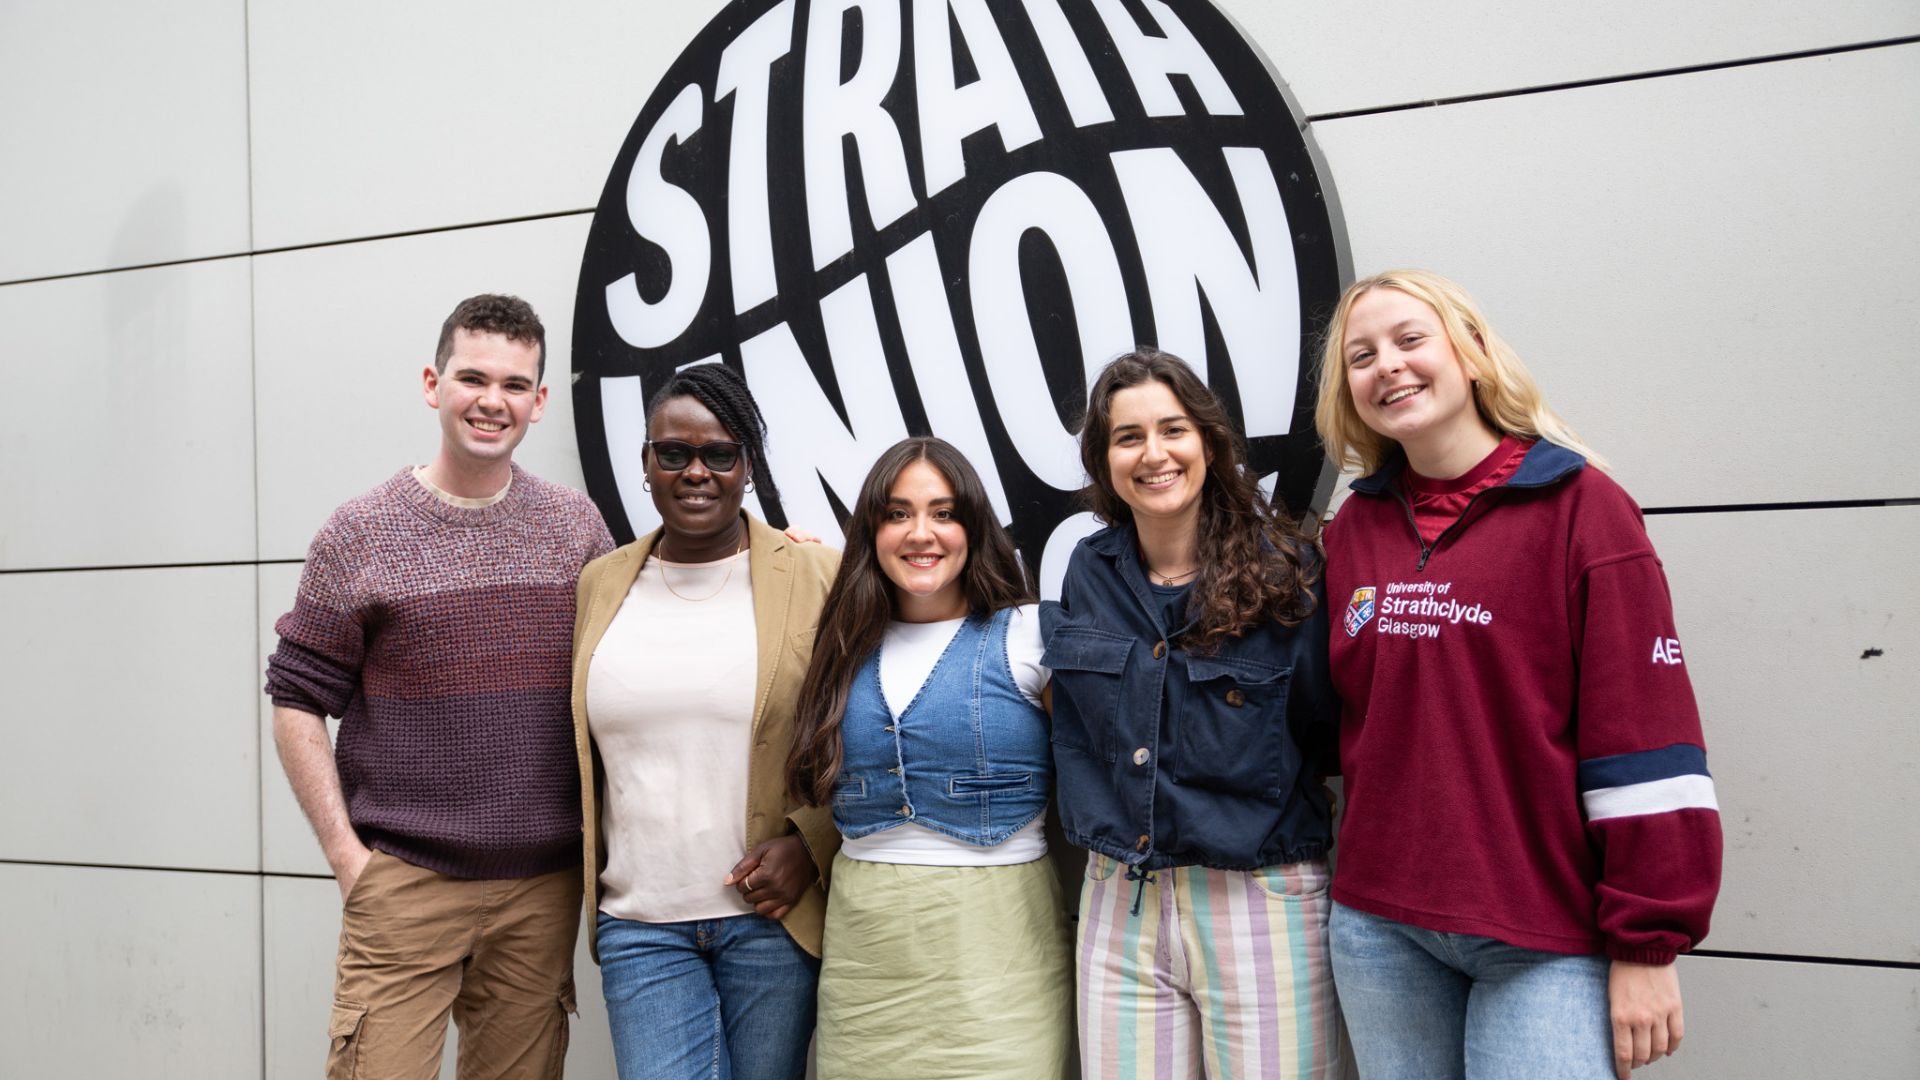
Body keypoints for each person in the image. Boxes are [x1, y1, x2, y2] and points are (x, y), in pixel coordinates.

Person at [1313, 269, 1722, 1080]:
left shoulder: (1584, 509)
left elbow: (1646, 736)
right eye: (1361, 356)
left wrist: (1648, 944)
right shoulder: (1354, 528)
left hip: (1543, 934)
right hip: (1380, 927)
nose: (1386, 366)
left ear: (1469, 353)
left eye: (1409, 340)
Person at [265, 294, 614, 1080]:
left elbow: (647, 634)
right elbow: (295, 699)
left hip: (539, 892)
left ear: (539, 401)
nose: (493, 401)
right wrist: (347, 859)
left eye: (515, 385)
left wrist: (782, 554)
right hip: (405, 884)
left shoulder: (576, 530)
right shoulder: (360, 533)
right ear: (433, 383)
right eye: (473, 377)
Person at [1043, 349, 1344, 1079]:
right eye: (1127, 437)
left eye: (1172, 429)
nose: (1154, 454)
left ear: (1209, 441)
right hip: (1121, 897)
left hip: (1257, 897)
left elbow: (1327, 731)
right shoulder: (1090, 568)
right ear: (1103, 460)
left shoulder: (1288, 575)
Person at [570, 362, 839, 1080]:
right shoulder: (602, 583)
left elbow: (871, 731)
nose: (697, 471)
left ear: (747, 465)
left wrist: (812, 843)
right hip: (641, 922)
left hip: (772, 922)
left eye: (720, 454)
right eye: (674, 453)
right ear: (647, 464)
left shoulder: (817, 576)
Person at [787, 437, 1074, 1079]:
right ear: (872, 529)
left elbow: (1100, 777)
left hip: (1000, 953)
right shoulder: (839, 642)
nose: (922, 533)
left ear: (973, 525)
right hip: (867, 956)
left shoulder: (1031, 633)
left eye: (944, 513)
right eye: (897, 514)